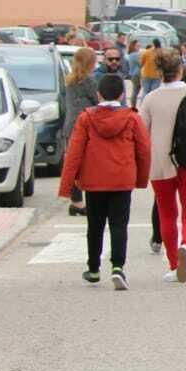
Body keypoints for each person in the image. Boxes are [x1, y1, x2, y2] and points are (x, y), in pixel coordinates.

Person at [57, 72, 150, 289]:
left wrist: (67, 185)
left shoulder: (86, 118)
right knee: (119, 224)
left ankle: (93, 268)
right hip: (122, 179)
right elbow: (144, 150)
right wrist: (141, 179)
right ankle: (118, 267)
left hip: (94, 180)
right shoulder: (132, 118)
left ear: (98, 94)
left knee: (95, 224)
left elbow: (74, 153)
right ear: (121, 95)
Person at [137, 52, 186, 284]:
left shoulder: (150, 99)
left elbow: (141, 134)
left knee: (166, 213)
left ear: (159, 73)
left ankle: (173, 264)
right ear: (180, 70)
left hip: (160, 163)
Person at [60, 46, 100, 218]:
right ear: (90, 63)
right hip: (85, 126)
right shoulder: (89, 80)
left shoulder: (69, 80)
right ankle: (86, 201)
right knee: (89, 164)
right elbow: (97, 101)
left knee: (74, 164)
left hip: (70, 125)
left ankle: (76, 201)